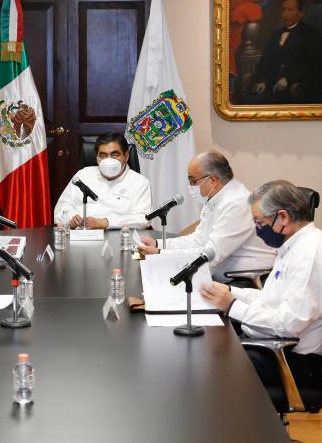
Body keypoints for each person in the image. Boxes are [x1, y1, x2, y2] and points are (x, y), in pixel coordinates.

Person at [200, 180, 322, 394]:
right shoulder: (292, 245)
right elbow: (270, 300)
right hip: (273, 343)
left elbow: (288, 324)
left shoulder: (309, 254)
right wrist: (230, 293)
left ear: (283, 217)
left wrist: (232, 306)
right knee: (207, 339)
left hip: (293, 359)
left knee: (211, 362)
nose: (257, 230)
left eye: (259, 222)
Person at [138, 151, 276, 282]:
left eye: (193, 181)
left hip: (243, 281)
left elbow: (211, 256)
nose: (190, 186)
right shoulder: (214, 198)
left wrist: (160, 254)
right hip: (218, 276)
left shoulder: (236, 204)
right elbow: (198, 240)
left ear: (213, 180)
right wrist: (159, 245)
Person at [54, 132, 152, 229]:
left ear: (126, 156)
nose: (109, 160)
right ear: (97, 158)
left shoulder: (139, 182)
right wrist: (71, 218)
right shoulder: (83, 175)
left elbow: (143, 219)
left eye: (114, 155)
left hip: (118, 235)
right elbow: (62, 206)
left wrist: (106, 223)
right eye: (103, 155)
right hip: (81, 233)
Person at [249, 0, 322, 104]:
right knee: (251, 101)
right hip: (270, 85)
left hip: (296, 86)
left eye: (290, 10)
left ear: (301, 14)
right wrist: (263, 81)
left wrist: (288, 79)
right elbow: (265, 61)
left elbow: (313, 66)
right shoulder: (275, 35)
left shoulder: (311, 35)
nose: (286, 14)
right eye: (284, 10)